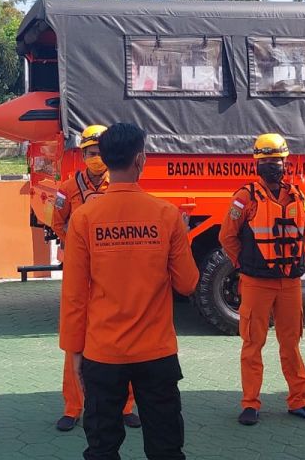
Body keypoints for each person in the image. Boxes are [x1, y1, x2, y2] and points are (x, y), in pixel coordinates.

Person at [60, 122, 200, 460]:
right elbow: (188, 283)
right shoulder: (166, 215)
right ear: (140, 160)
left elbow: (74, 294)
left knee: (102, 447)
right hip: (156, 353)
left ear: (104, 160)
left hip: (102, 353)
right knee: (166, 447)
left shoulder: (84, 218)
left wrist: (74, 350)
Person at [220, 133, 305, 427]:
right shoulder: (245, 198)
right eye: (266, 161)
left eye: (276, 160)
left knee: (291, 343)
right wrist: (244, 263)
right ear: (257, 163)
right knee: (253, 343)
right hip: (256, 282)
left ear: (285, 162)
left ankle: (299, 401)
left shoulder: (298, 196)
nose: (272, 166)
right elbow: (226, 236)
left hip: (290, 282)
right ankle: (250, 404)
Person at [51, 124, 140, 432]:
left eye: (99, 153)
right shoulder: (67, 189)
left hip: (114, 276)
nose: (95, 158)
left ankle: (126, 406)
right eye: (90, 153)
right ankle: (73, 407)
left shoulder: (119, 186)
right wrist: (78, 250)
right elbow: (57, 223)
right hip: (79, 275)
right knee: (74, 338)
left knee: (123, 336)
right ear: (82, 155)